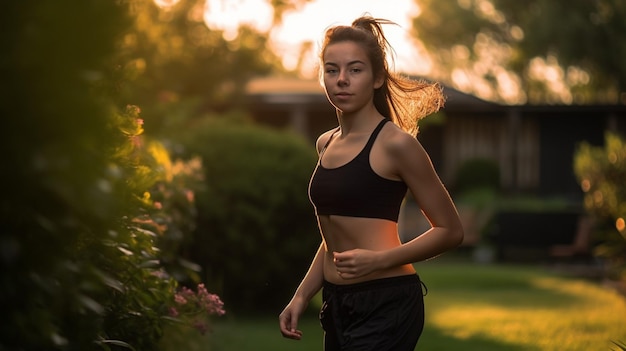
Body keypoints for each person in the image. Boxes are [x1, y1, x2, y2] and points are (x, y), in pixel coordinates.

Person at [278, 15, 464, 351]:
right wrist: (302, 295)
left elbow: (450, 230)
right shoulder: (325, 143)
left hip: (387, 302)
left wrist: (380, 259)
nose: (342, 80)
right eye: (332, 70)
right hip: (337, 303)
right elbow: (333, 238)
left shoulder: (397, 145)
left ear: (377, 78)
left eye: (355, 70)